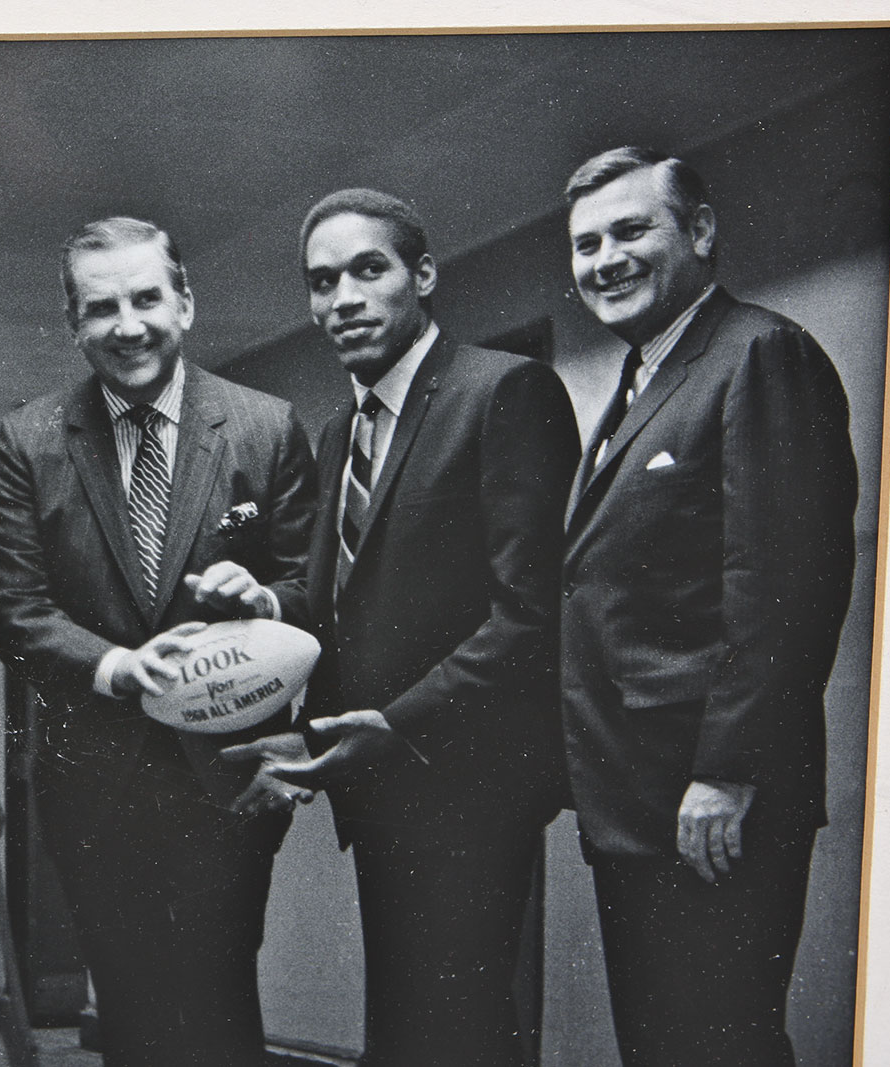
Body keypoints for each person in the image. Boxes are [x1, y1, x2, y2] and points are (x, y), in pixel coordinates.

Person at [227, 188, 579, 1066]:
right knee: (408, 1026)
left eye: (366, 269)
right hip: (374, 782)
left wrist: (399, 724)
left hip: (465, 777)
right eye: (321, 281)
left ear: (421, 276)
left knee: (456, 1027)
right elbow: (337, 605)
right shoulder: (342, 426)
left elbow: (531, 613)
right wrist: (266, 621)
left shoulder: (503, 389)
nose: (342, 298)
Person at [0, 216, 318, 1066]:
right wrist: (115, 666)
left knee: (221, 1004)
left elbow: (319, 590)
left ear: (186, 303)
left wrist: (267, 598)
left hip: (229, 779)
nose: (126, 324)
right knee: (130, 1013)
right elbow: (11, 607)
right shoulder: (31, 439)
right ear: (74, 325)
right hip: (96, 785)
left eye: (145, 298)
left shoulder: (265, 426)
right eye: (102, 308)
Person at [558, 146, 857, 1066]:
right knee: (665, 1047)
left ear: (699, 230)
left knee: (719, 1045)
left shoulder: (759, 353)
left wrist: (727, 771)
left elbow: (786, 585)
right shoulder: (641, 376)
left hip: (710, 802)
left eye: (629, 229)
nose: (603, 258)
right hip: (638, 800)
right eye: (584, 244)